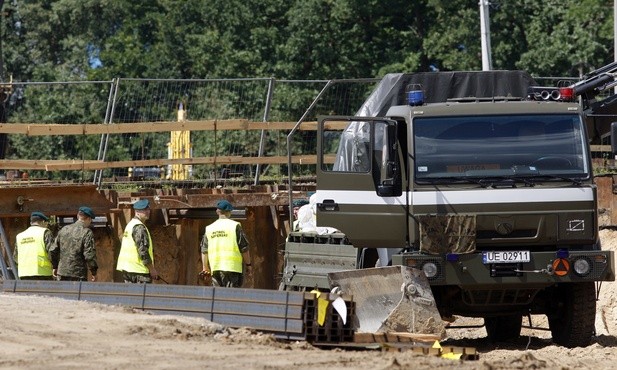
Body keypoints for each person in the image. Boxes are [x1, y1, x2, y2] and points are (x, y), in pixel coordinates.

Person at [200, 200, 251, 288]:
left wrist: (205, 267)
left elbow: (204, 251)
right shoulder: (235, 226)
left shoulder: (209, 228)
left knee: (218, 297)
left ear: (217, 211)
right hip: (233, 269)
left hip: (215, 269)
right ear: (230, 212)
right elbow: (244, 248)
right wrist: (249, 265)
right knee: (231, 298)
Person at [50, 206, 98, 282]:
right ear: (89, 219)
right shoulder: (87, 232)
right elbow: (89, 255)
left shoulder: (64, 229)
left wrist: (55, 266)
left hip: (61, 273)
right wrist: (94, 272)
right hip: (78, 275)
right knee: (76, 294)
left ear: (77, 216)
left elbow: (53, 250)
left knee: (63, 294)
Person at [116, 199, 159, 283]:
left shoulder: (130, 225)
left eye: (148, 209)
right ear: (137, 212)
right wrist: (152, 269)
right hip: (139, 272)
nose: (148, 212)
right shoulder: (139, 227)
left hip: (128, 270)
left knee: (132, 296)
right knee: (142, 296)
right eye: (145, 210)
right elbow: (143, 250)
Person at [13, 211, 54, 280]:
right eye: (46, 223)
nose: (47, 225)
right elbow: (51, 252)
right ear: (43, 221)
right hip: (43, 273)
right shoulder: (45, 232)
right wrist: (55, 267)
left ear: (31, 222)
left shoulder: (19, 236)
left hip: (24, 274)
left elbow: (15, 257)